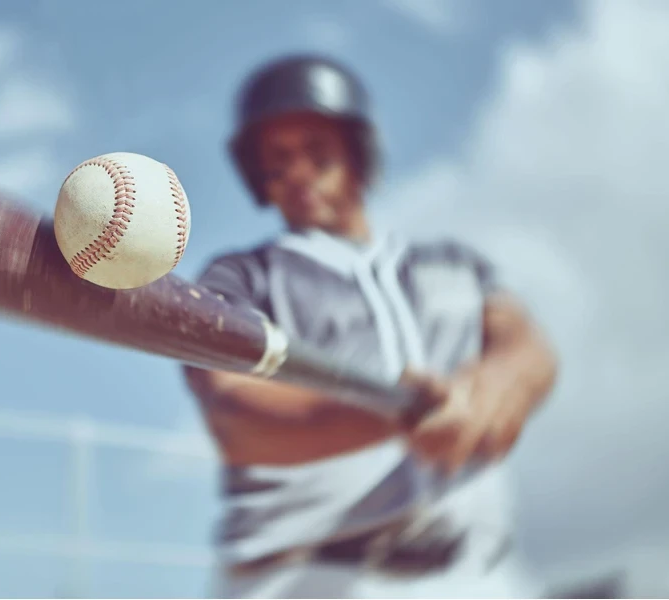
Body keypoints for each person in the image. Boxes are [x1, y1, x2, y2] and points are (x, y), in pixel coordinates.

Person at [181, 54, 559, 598]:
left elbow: (525, 345)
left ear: (359, 157)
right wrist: (398, 412)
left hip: (479, 575)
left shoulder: (453, 264)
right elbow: (231, 411)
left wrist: (494, 389)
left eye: (318, 153)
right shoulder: (241, 276)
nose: (298, 174)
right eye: (278, 160)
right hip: (303, 579)